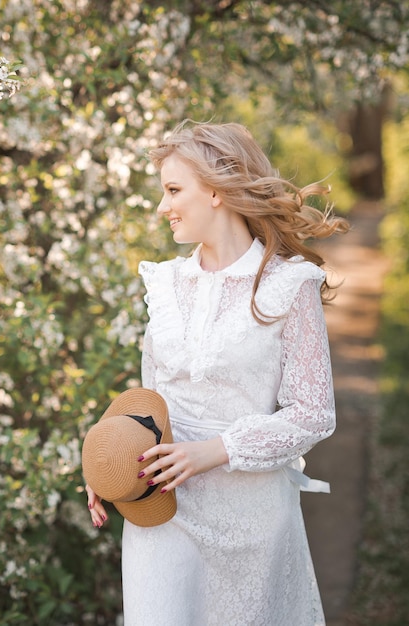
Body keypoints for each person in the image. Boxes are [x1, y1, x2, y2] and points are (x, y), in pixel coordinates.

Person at [86, 121, 349, 625]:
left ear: (216, 190)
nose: (162, 207)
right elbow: (148, 406)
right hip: (163, 510)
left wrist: (214, 451)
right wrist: (109, 459)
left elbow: (314, 413)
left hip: (253, 519)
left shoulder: (289, 285)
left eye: (172, 190)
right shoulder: (164, 284)